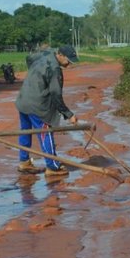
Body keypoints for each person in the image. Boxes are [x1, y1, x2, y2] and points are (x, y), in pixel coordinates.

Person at [15, 45, 79, 176]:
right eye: (68, 60)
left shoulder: (41, 57)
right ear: (60, 55)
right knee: (46, 133)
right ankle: (52, 166)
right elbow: (56, 95)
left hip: (23, 100)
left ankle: (24, 161)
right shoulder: (55, 69)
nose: (69, 64)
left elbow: (29, 59)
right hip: (37, 106)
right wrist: (69, 114)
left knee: (26, 131)